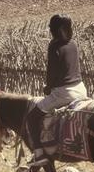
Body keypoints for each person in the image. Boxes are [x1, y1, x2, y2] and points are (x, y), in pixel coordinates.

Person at [30, 14, 87, 143]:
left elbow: (52, 72)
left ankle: (39, 153)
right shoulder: (73, 44)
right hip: (81, 90)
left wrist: (48, 88)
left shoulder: (54, 46)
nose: (50, 31)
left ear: (55, 29)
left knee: (32, 117)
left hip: (64, 94)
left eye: (51, 28)